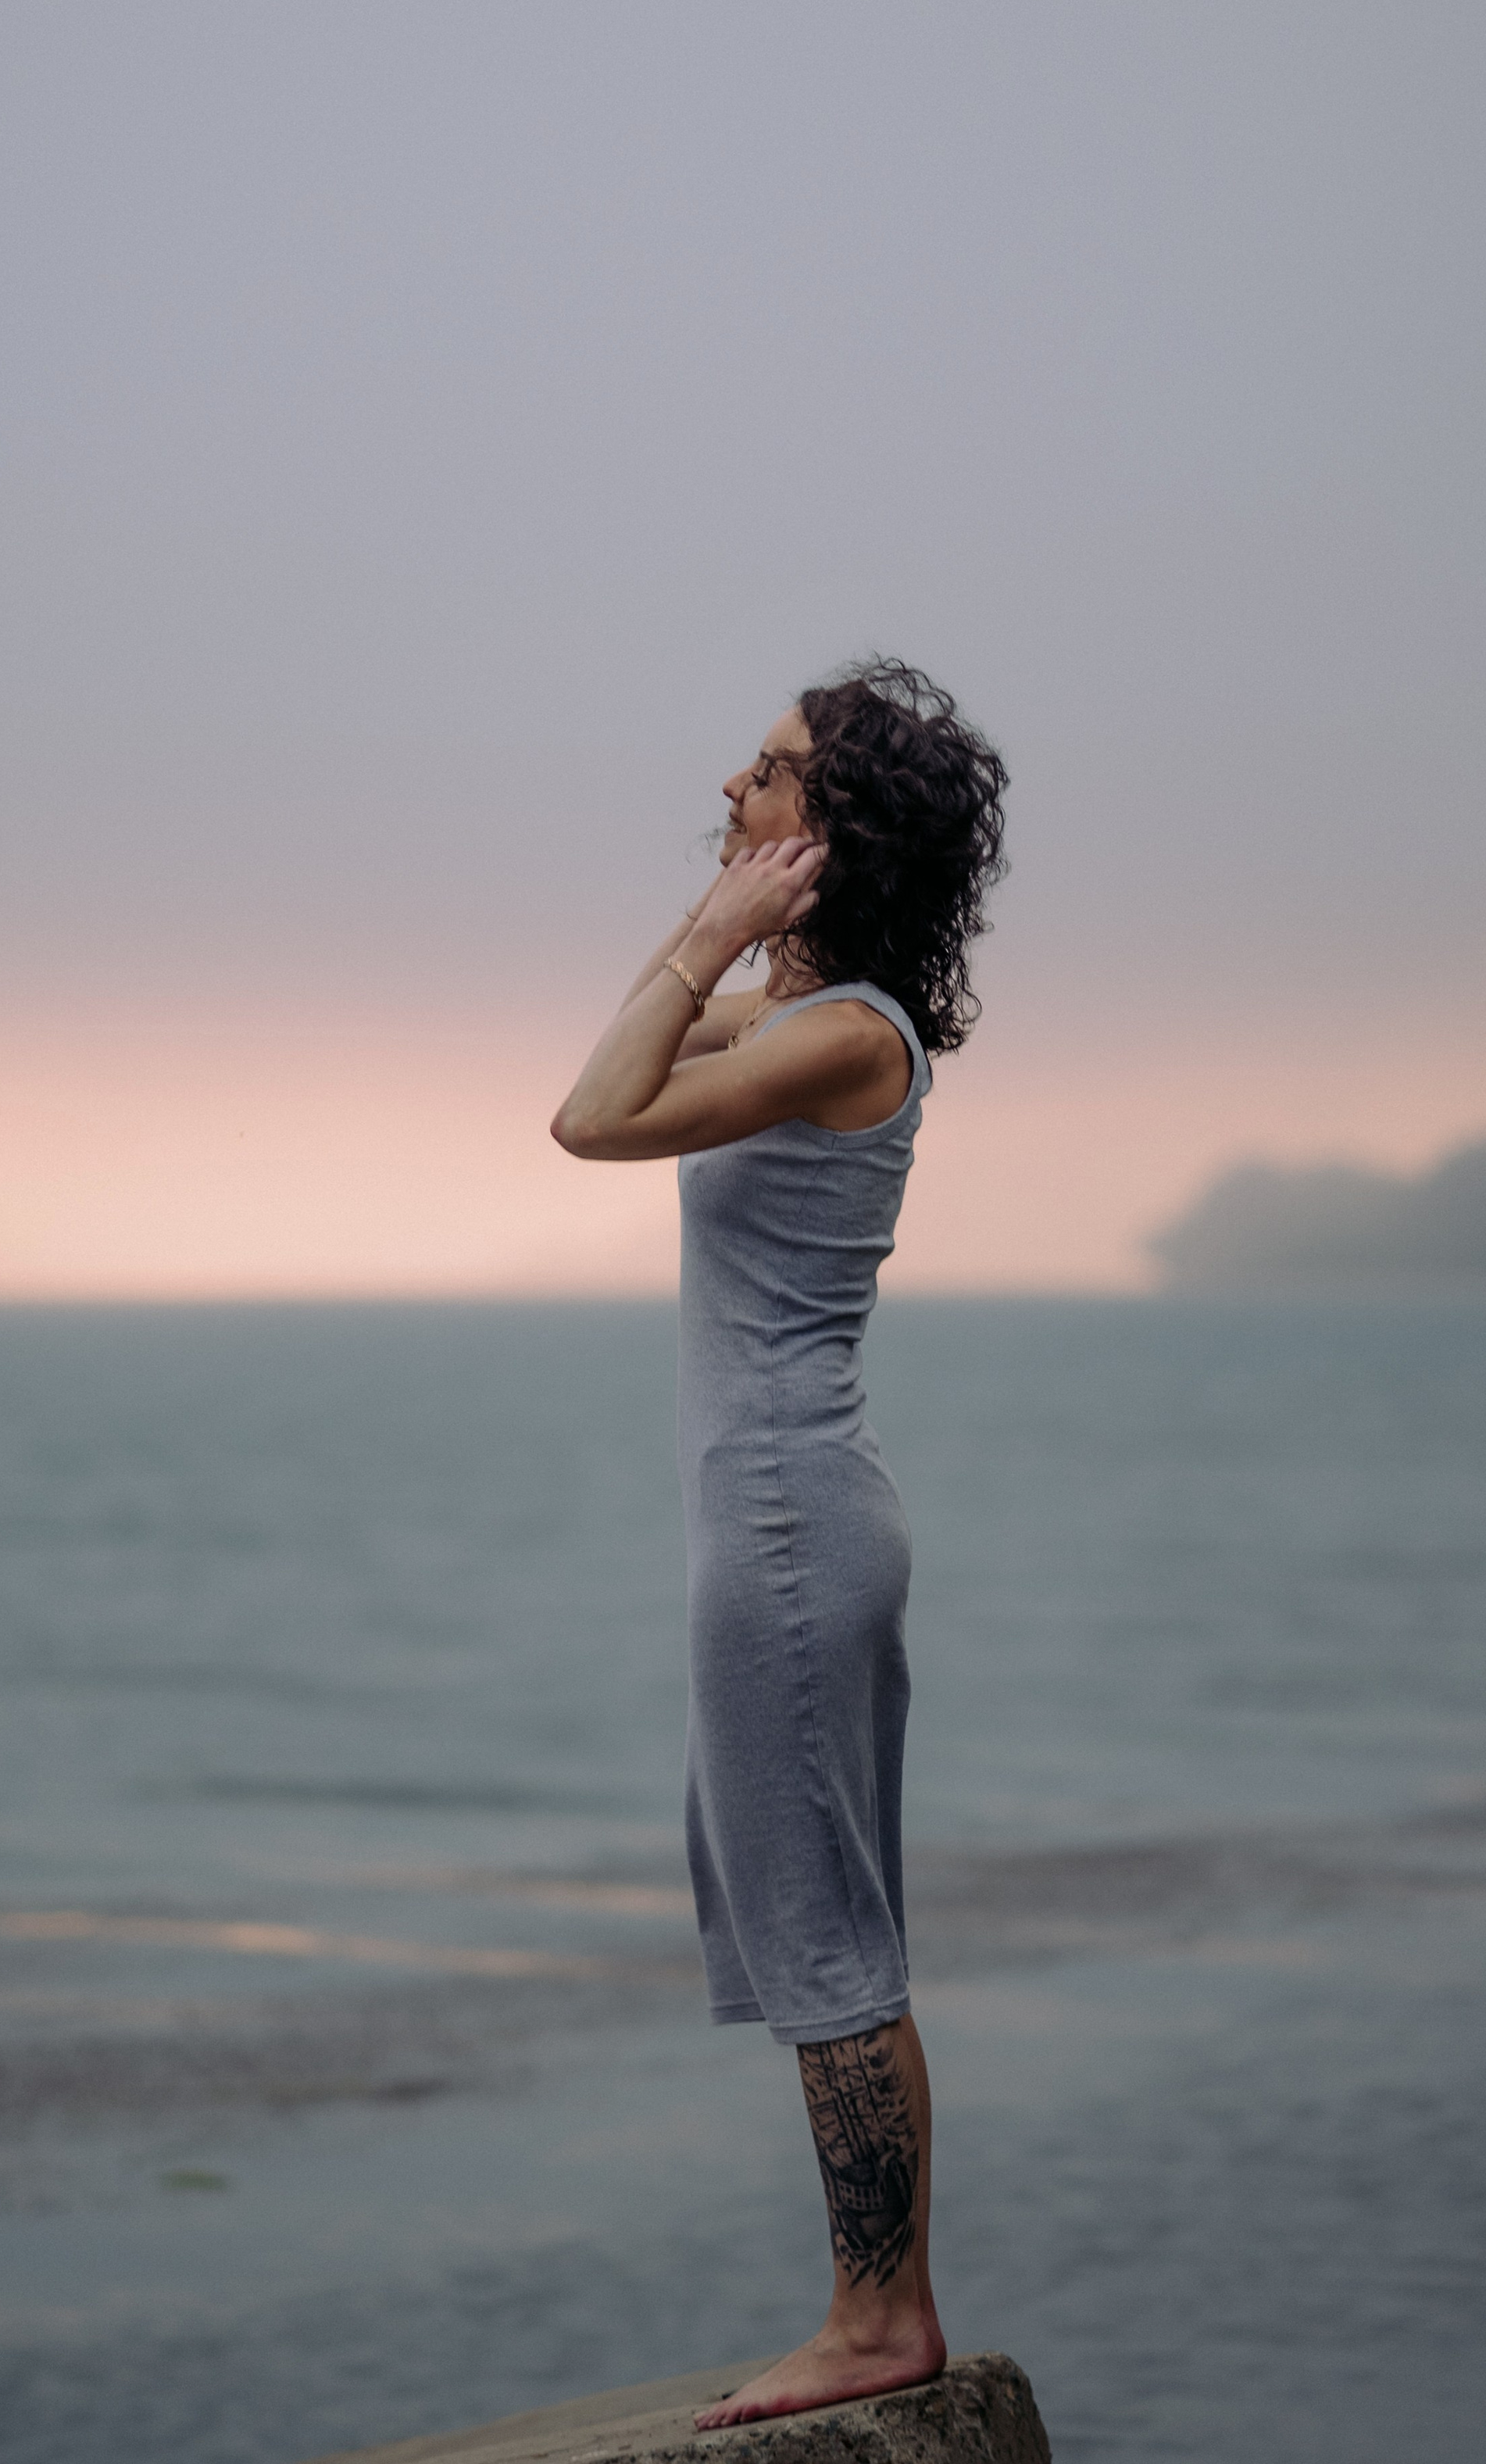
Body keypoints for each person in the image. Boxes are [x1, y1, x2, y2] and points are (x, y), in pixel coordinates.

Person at [551, 659, 1008, 2429]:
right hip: (782, 1515)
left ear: (839, 830)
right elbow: (618, 1073)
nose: (732, 790)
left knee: (826, 1939)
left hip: (788, 1526)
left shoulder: (842, 1031)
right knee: (811, 1915)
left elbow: (589, 1119)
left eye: (770, 775)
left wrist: (704, 935)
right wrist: (722, 936)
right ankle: (873, 2301)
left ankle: (875, 2317)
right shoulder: (803, 1015)